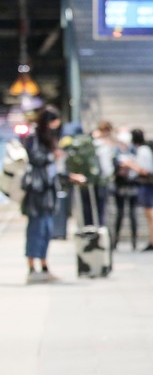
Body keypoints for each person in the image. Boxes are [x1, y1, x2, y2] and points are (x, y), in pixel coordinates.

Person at [22, 106, 85, 282]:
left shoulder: (48, 139)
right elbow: (36, 159)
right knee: (36, 229)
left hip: (48, 191)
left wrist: (69, 176)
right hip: (37, 191)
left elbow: (53, 170)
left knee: (46, 229)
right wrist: (52, 156)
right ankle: (32, 268)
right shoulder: (34, 138)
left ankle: (43, 266)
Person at [121, 129, 153, 251]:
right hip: (147, 184)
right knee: (150, 214)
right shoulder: (142, 149)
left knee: (152, 214)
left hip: (148, 184)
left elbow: (146, 170)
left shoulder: (143, 150)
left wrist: (130, 165)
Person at [113, 127, 139, 250]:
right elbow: (114, 166)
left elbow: (138, 166)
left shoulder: (134, 150)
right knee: (120, 213)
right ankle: (115, 241)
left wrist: (129, 165)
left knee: (133, 213)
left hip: (133, 184)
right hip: (120, 185)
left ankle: (134, 241)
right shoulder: (116, 151)